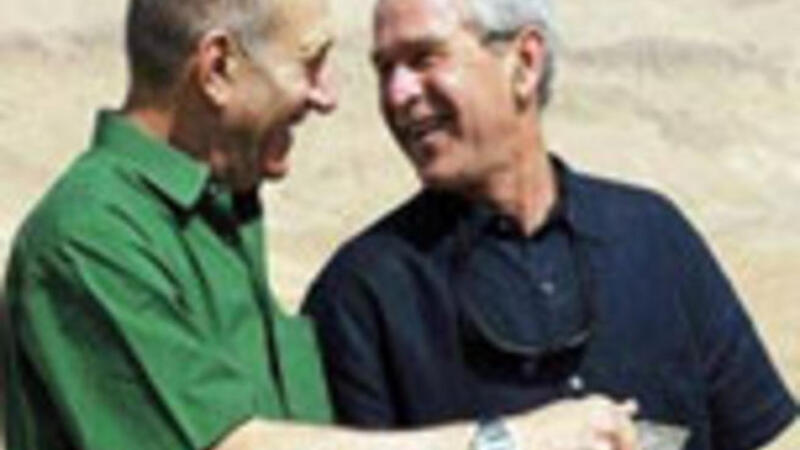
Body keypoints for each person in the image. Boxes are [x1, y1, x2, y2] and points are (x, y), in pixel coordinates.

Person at [2, 0, 642, 449]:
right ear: (218, 68)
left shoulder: (219, 222)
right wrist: (508, 442)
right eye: (309, 62)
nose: (327, 96)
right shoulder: (90, 238)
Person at [302, 0, 798, 448]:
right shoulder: (360, 295)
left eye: (424, 58)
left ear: (525, 63)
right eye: (384, 69)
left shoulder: (653, 237)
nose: (398, 93)